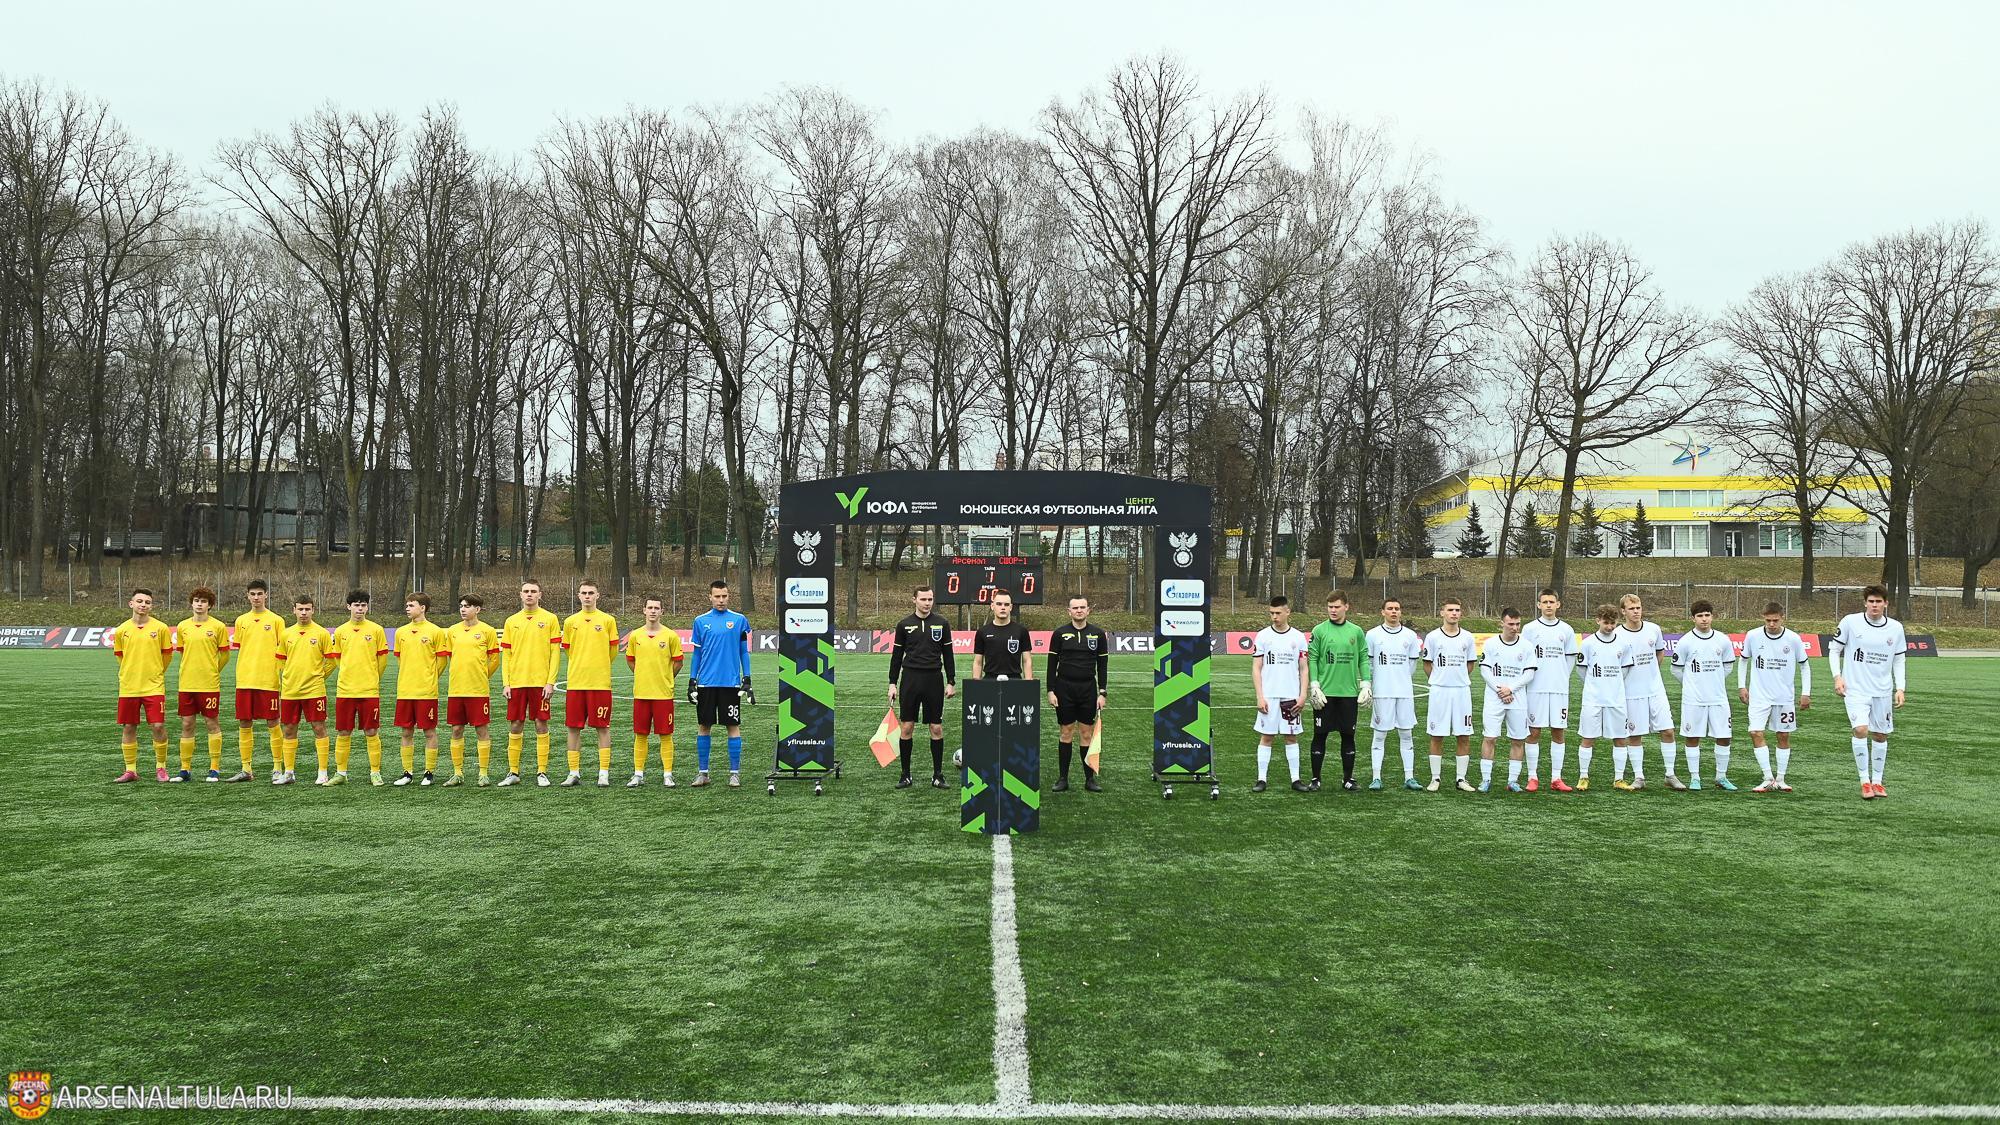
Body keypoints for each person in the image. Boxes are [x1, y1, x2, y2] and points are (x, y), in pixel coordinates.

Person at [1829, 584, 1906, 800]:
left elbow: (1899, 659)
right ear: (1865, 603)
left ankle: (1877, 782)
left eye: (1878, 601)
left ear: (1886, 604)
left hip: (1882, 691)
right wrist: (1837, 677)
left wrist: (1900, 687)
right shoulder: (1850, 622)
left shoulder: (1895, 628)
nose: (1874, 605)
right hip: (1855, 690)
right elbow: (1834, 650)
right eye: (1871, 601)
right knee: (1861, 729)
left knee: (1880, 735)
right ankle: (1864, 781)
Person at [889, 585, 958, 788]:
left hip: (933, 679)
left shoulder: (942, 623)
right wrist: (892, 683)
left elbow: (948, 654)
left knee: (936, 727)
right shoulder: (904, 625)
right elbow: (896, 657)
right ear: (914, 600)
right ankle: (905, 775)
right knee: (907, 727)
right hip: (910, 679)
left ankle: (937, 775)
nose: (927, 603)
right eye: (923, 599)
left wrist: (951, 681)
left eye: (930, 599)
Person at [687, 579, 752, 789]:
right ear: (710, 597)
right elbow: (697, 654)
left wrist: (747, 677)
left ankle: (734, 774)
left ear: (728, 596)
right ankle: (703, 773)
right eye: (717, 596)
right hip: (706, 684)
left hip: (730, 684)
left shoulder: (739, 620)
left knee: (732, 726)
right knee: (704, 726)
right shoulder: (700, 621)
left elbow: (743, 651)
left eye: (724, 596)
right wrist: (692, 680)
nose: (721, 600)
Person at [1740, 601, 1810, 794]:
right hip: (1759, 696)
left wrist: (1806, 692)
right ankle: (1767, 778)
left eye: (1775, 620)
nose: (1771, 624)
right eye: (1768, 620)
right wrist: (1741, 686)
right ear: (1763, 618)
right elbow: (1743, 660)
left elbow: (1804, 665)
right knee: (1755, 732)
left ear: (1782, 618)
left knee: (1783, 735)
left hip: (1784, 697)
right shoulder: (1753, 635)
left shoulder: (1793, 639)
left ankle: (1781, 779)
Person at [498, 579, 561, 786]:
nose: (529, 594)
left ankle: (542, 772)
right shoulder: (511, 621)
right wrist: (506, 683)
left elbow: (555, 653)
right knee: (516, 724)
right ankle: (513, 772)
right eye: (526, 591)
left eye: (533, 591)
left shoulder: (550, 619)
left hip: (540, 683)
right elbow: (506, 655)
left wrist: (550, 682)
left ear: (540, 595)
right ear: (520, 594)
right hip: (517, 682)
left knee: (541, 723)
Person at [1669, 600, 1737, 792]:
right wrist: (1692, 684)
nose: (1704, 619)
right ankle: (1695, 778)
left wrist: (1714, 681)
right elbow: (1676, 669)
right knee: (1692, 737)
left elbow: (1728, 666)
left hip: (1718, 698)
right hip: (1693, 700)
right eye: (1700, 616)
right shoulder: (1685, 642)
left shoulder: (1722, 640)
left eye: (1707, 615)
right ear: (1693, 618)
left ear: (1712, 616)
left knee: (1724, 737)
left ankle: (1721, 777)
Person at [1306, 590, 1370, 791]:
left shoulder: (1356, 631)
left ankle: (1348, 779)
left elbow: (1363, 658)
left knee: (1348, 736)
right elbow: (1312, 658)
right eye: (1330, 607)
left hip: (1348, 694)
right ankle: (1316, 779)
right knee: (1320, 735)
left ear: (1346, 607)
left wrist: (1366, 684)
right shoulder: (1319, 630)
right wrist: (1314, 685)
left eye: (1337, 607)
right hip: (1324, 694)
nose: (1333, 610)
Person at [110, 589, 175, 783]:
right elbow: (120, 656)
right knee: (129, 727)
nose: (143, 605)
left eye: (147, 602)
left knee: (158, 726)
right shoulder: (122, 630)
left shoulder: (161, 628)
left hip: (154, 687)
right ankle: (130, 770)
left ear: (151, 606)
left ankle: (161, 768)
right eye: (139, 601)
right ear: (131, 604)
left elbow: (167, 656)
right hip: (129, 687)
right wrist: (130, 672)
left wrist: (155, 672)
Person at [1047, 595, 1110, 792]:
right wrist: (1050, 690)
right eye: (1075, 608)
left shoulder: (1098, 634)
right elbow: (1051, 665)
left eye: (1082, 607)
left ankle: (1089, 780)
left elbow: (1102, 666)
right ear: (1069, 611)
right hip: (1064, 688)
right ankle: (1063, 779)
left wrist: (1102, 692)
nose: (1079, 610)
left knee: (1086, 733)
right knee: (1066, 732)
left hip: (1088, 689)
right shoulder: (1059, 634)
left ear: (1088, 610)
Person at [326, 590, 389, 786]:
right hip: (345, 690)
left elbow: (382, 660)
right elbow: (337, 658)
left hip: (369, 690)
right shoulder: (340, 631)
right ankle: (341, 773)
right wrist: (348, 674)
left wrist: (372, 677)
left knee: (371, 731)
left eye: (363, 605)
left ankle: (375, 773)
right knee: (343, 731)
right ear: (349, 607)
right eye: (356, 605)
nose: (360, 609)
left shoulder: (376, 630)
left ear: (367, 607)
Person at [560, 580, 618, 788]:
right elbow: (568, 650)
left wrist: (599, 666)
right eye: (583, 593)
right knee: (573, 728)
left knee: (602, 727)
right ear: (578, 596)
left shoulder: (608, 620)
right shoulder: (570, 622)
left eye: (591, 593)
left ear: (597, 595)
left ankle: (603, 773)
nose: (587, 596)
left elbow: (612, 651)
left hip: (600, 683)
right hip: (576, 683)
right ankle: (573, 772)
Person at [1251, 596, 1310, 793]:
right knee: (1266, 736)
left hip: (1290, 697)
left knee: (1291, 737)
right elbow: (1256, 668)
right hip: (1269, 696)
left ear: (1287, 612)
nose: (1274, 617)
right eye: (1271, 613)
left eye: (1278, 613)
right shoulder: (1262, 636)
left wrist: (1302, 695)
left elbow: (1304, 668)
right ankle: (1261, 779)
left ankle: (1296, 779)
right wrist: (1260, 696)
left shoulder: (1298, 637)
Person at [1520, 589, 1578, 792]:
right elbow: (1524, 656)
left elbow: (1570, 658)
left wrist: (1561, 676)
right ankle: (1532, 777)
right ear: (1538, 605)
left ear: (1558, 604)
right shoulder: (1529, 629)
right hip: (1535, 688)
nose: (1548, 605)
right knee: (1534, 731)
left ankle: (1556, 778)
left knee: (1558, 731)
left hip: (1559, 689)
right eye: (1544, 602)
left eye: (1551, 602)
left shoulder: (1567, 630)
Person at [228, 578, 285, 782]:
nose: (256, 597)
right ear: (247, 596)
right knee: (245, 722)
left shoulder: (276, 620)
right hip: (245, 679)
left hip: (268, 680)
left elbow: (282, 650)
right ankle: (246, 769)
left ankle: (277, 768)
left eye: (260, 594)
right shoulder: (241, 621)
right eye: (252, 594)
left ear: (266, 595)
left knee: (273, 721)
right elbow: (241, 648)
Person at [625, 595, 685, 787]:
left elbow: (678, 662)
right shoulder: (635, 635)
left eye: (656, 608)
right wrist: (642, 674)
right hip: (641, 693)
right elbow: (630, 660)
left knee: (665, 734)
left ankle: (668, 774)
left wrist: (666, 677)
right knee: (640, 734)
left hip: (663, 694)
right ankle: (638, 774)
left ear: (662, 611)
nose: (652, 611)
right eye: (649, 607)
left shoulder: (670, 636)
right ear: (644, 610)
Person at [274, 596, 334, 787]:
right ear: (294, 610)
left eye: (307, 609)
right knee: (289, 729)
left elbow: (331, 661)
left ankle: (323, 772)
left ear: (313, 610)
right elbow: (280, 660)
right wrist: (288, 676)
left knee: (319, 728)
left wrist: (319, 677)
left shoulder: (322, 633)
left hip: (314, 691)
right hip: (290, 691)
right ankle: (289, 772)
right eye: (300, 609)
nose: (304, 613)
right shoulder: (286, 634)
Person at [1364, 598, 1423, 790]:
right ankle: (1376, 778)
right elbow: (1369, 664)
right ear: (1382, 612)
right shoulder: (1372, 635)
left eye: (1397, 608)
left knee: (1406, 734)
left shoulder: (1410, 636)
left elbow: (1411, 666)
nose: (1394, 611)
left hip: (1404, 693)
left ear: (1401, 611)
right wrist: (1375, 683)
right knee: (1380, 734)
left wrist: (1400, 679)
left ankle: (1409, 777)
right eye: (1390, 608)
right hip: (1382, 693)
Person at [173, 587, 231, 782]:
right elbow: (183, 652)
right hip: (187, 684)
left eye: (203, 601)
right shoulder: (182, 626)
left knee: (211, 723)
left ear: (209, 605)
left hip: (209, 684)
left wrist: (213, 670)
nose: (199, 604)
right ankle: (184, 769)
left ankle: (214, 768)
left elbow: (225, 655)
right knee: (187, 724)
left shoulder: (218, 626)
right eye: (196, 600)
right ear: (192, 603)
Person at [1614, 593, 1671, 791]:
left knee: (1668, 731)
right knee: (1635, 735)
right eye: (1631, 608)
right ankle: (1639, 777)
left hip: (1655, 690)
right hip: (1631, 692)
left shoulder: (1654, 629)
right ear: (1623, 611)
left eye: (1638, 607)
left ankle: (1670, 774)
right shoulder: (1618, 634)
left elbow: (1660, 652)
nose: (1636, 611)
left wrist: (1651, 673)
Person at [1421, 598, 1479, 792]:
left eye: (1457, 610)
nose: (1454, 613)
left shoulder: (1467, 637)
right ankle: (1435, 778)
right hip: (1439, 691)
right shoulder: (1432, 637)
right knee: (1437, 734)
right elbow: (1427, 664)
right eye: (1450, 610)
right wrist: (1440, 680)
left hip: (1462, 691)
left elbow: (1470, 664)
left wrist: (1458, 679)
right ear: (1442, 613)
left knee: (1463, 734)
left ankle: (1461, 779)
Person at [1575, 605, 1635, 793]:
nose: (1609, 626)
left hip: (1616, 699)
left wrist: (1612, 685)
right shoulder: (1588, 643)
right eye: (1606, 622)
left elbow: (1625, 670)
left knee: (1620, 739)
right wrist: (1595, 685)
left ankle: (1619, 778)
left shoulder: (1623, 644)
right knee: (1588, 738)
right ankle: (1583, 776)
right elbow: (1581, 670)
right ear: (1598, 621)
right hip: (1592, 699)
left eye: (1612, 623)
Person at [443, 594, 501, 787]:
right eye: (461, 606)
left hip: (478, 690)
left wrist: (482, 676)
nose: (463, 609)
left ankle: (483, 773)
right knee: (456, 729)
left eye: (467, 606)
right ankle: (457, 773)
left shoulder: (487, 631)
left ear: (477, 609)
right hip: (456, 690)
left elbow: (494, 660)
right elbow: (450, 657)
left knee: (481, 729)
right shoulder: (452, 631)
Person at [391, 593, 447, 787]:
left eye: (411, 605)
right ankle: (407, 773)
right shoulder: (400, 632)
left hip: (426, 692)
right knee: (406, 732)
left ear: (422, 608)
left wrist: (430, 678)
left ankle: (429, 773)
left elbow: (441, 661)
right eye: (407, 605)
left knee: (429, 731)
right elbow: (400, 659)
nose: (407, 608)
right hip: (405, 691)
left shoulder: (435, 631)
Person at [1478, 608, 1534, 792]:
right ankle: (1485, 779)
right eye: (1511, 624)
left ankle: (1512, 781)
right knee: (1490, 737)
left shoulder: (1527, 646)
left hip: (1517, 698)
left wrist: (1510, 689)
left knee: (1518, 739)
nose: (1515, 628)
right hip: (1494, 698)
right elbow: (1485, 671)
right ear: (1502, 623)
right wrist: (1500, 690)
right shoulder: (1491, 644)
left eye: (1518, 624)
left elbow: (1529, 674)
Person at [971, 589, 1033, 682]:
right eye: (999, 604)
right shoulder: (982, 632)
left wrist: (1028, 682)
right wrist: (976, 683)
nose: (1003, 607)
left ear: (1011, 607)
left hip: (1015, 680)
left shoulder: (1021, 631)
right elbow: (978, 662)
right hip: (989, 680)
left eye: (1006, 604)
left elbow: (1026, 660)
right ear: (992, 606)